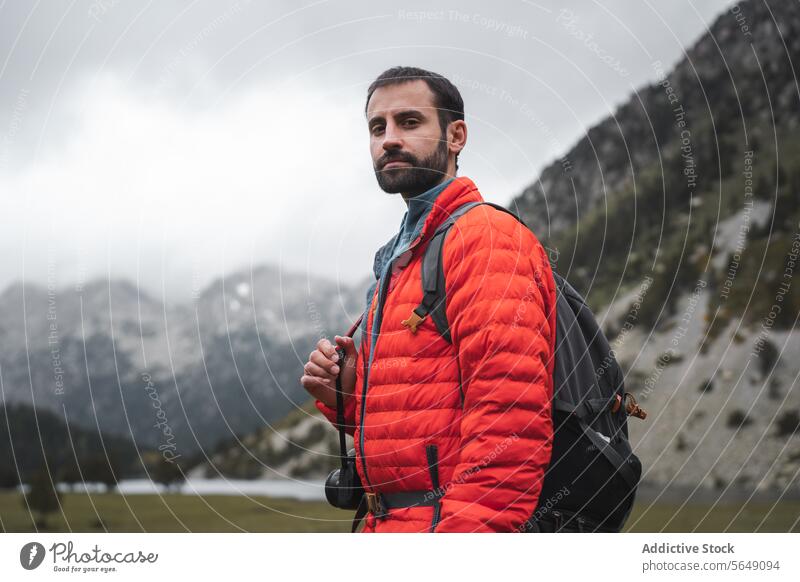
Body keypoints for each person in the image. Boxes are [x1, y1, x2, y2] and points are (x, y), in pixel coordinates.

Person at [300, 66, 557, 532]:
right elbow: (424, 424)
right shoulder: (404, 256)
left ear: (456, 135)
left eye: (409, 122)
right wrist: (347, 397)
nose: (388, 140)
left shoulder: (485, 240)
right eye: (377, 128)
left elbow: (509, 425)